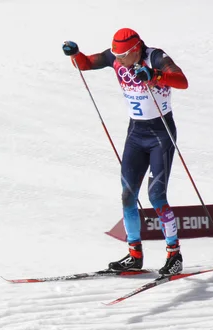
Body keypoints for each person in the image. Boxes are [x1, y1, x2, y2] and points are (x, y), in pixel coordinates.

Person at [62, 28, 189, 276]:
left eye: (121, 57)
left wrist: (155, 76)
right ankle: (134, 255)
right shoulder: (115, 56)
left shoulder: (156, 58)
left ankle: (174, 254)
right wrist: (75, 54)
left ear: (135, 50)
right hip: (135, 134)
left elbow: (182, 81)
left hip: (160, 134)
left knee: (156, 197)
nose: (117, 61)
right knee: (127, 196)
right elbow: (85, 64)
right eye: (116, 56)